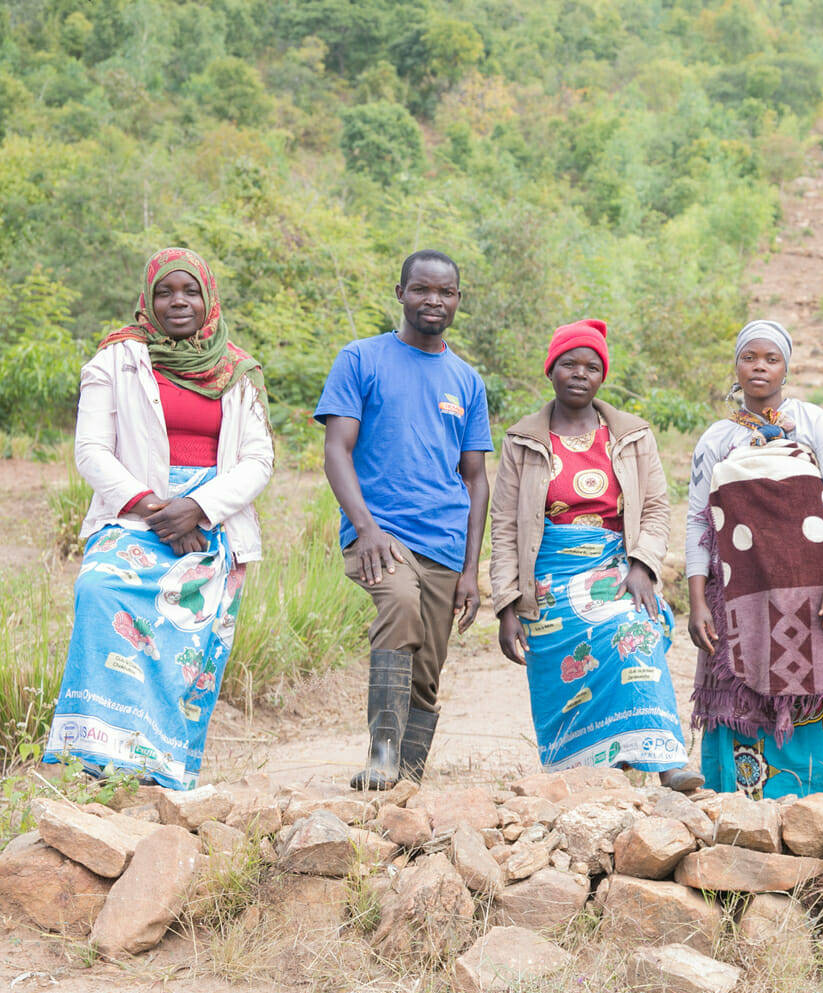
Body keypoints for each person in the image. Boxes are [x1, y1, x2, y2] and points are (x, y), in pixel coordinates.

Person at [45, 247, 273, 789]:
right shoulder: (116, 360)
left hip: (213, 522)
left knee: (187, 638)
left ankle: (163, 772)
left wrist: (197, 508)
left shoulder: (238, 371)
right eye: (166, 291)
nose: (178, 301)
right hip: (134, 513)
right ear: (148, 298)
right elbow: (92, 452)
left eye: (189, 291)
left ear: (208, 299)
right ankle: (96, 762)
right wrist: (158, 510)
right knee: (99, 591)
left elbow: (259, 460)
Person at [490, 319, 702, 790]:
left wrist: (644, 566)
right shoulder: (522, 441)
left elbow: (655, 507)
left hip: (614, 569)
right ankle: (593, 776)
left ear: (602, 375)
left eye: (592, 366)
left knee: (634, 631)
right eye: (569, 364)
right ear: (551, 370)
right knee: (574, 674)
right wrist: (506, 607)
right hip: (547, 580)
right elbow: (504, 526)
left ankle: (666, 758)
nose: (580, 373)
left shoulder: (631, 435)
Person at [315, 250, 492, 790]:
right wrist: (365, 527)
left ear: (458, 300)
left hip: (444, 541)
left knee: (428, 664)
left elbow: (476, 478)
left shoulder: (466, 381)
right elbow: (336, 449)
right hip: (380, 533)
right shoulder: (361, 359)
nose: (433, 301)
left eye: (445, 292)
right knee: (398, 604)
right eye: (421, 290)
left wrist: (470, 571)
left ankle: (407, 781)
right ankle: (382, 754)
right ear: (400, 293)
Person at [687, 320, 823, 798]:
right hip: (735, 596)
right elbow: (698, 523)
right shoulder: (716, 439)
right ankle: (737, 817)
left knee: (809, 693)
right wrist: (697, 601)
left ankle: (814, 815)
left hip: (810, 597)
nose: (759, 367)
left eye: (771, 359)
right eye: (749, 357)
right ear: (736, 366)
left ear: (787, 368)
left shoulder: (813, 422)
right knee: (737, 696)